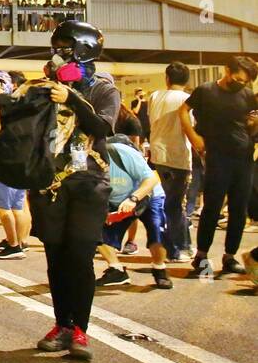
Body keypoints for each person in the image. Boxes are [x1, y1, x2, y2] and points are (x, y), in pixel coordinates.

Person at [28, 20, 119, 362]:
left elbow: (103, 126)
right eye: (56, 45)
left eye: (65, 45)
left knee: (80, 257)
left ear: (83, 48)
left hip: (89, 183)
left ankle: (80, 329)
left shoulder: (104, 88)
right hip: (50, 184)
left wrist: (72, 97)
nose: (58, 52)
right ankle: (61, 323)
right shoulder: (45, 86)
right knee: (55, 256)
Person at [180, 55, 258, 279]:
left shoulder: (247, 95)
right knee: (212, 208)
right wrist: (193, 137)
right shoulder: (206, 91)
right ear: (227, 70)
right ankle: (201, 256)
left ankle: (229, 256)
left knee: (238, 210)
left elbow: (252, 120)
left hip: (244, 158)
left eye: (246, 82)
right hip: (217, 157)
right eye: (239, 79)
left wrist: (254, 123)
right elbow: (183, 111)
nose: (241, 84)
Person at [99, 119, 172, 289]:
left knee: (156, 232)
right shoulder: (81, 159)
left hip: (147, 195)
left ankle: (160, 268)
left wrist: (133, 199)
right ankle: (116, 270)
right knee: (96, 234)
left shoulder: (119, 151)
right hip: (118, 201)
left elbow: (152, 178)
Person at [148, 62, 194, 262]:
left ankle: (170, 246)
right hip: (179, 157)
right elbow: (190, 127)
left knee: (163, 203)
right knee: (175, 205)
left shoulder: (154, 96)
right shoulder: (187, 99)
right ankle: (180, 248)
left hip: (158, 155)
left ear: (167, 78)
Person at [0, 71, 30, 259]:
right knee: (18, 207)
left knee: (4, 209)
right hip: (21, 163)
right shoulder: (23, 107)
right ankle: (20, 242)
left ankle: (14, 245)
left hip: (4, 163)